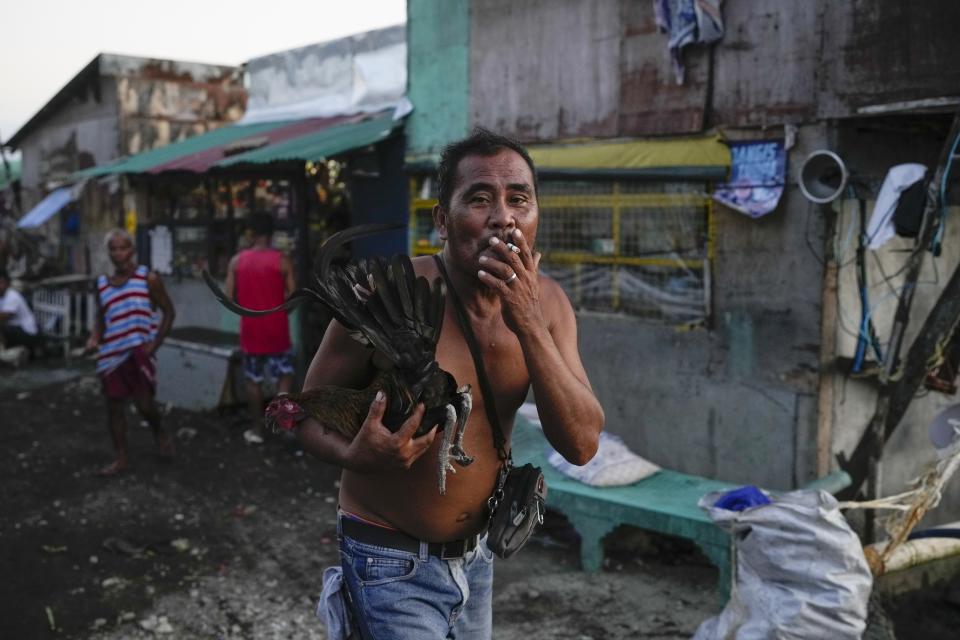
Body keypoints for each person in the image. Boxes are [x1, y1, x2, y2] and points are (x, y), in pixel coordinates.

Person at [295, 129, 605, 639]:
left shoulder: (548, 306)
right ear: (442, 219)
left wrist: (527, 321)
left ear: (535, 217)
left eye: (519, 199)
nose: (503, 216)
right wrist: (357, 456)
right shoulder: (386, 296)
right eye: (479, 199)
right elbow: (300, 415)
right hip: (389, 558)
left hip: (477, 558)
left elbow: (582, 444)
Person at [86, 229, 176, 476]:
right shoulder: (102, 284)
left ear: (132, 250)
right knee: (114, 408)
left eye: (123, 248)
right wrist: (95, 336)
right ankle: (121, 458)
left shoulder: (148, 279)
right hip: (111, 356)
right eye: (113, 249)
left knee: (145, 405)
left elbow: (169, 312)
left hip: (138, 353)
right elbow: (102, 317)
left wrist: (155, 344)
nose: (118, 254)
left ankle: (159, 432)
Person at [225, 212, 297, 444]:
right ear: (272, 233)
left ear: (251, 233)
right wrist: (281, 314)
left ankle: (258, 431)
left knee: (253, 382)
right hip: (278, 330)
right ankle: (286, 429)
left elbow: (228, 298)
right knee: (283, 381)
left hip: (251, 331)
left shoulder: (237, 261)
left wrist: (248, 310)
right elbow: (293, 296)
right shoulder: (282, 260)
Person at [0, 268, 41, 366]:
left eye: (1, 283)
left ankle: (3, 355)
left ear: (8, 284)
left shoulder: (12, 296)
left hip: (28, 334)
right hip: (14, 330)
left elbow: (5, 316)